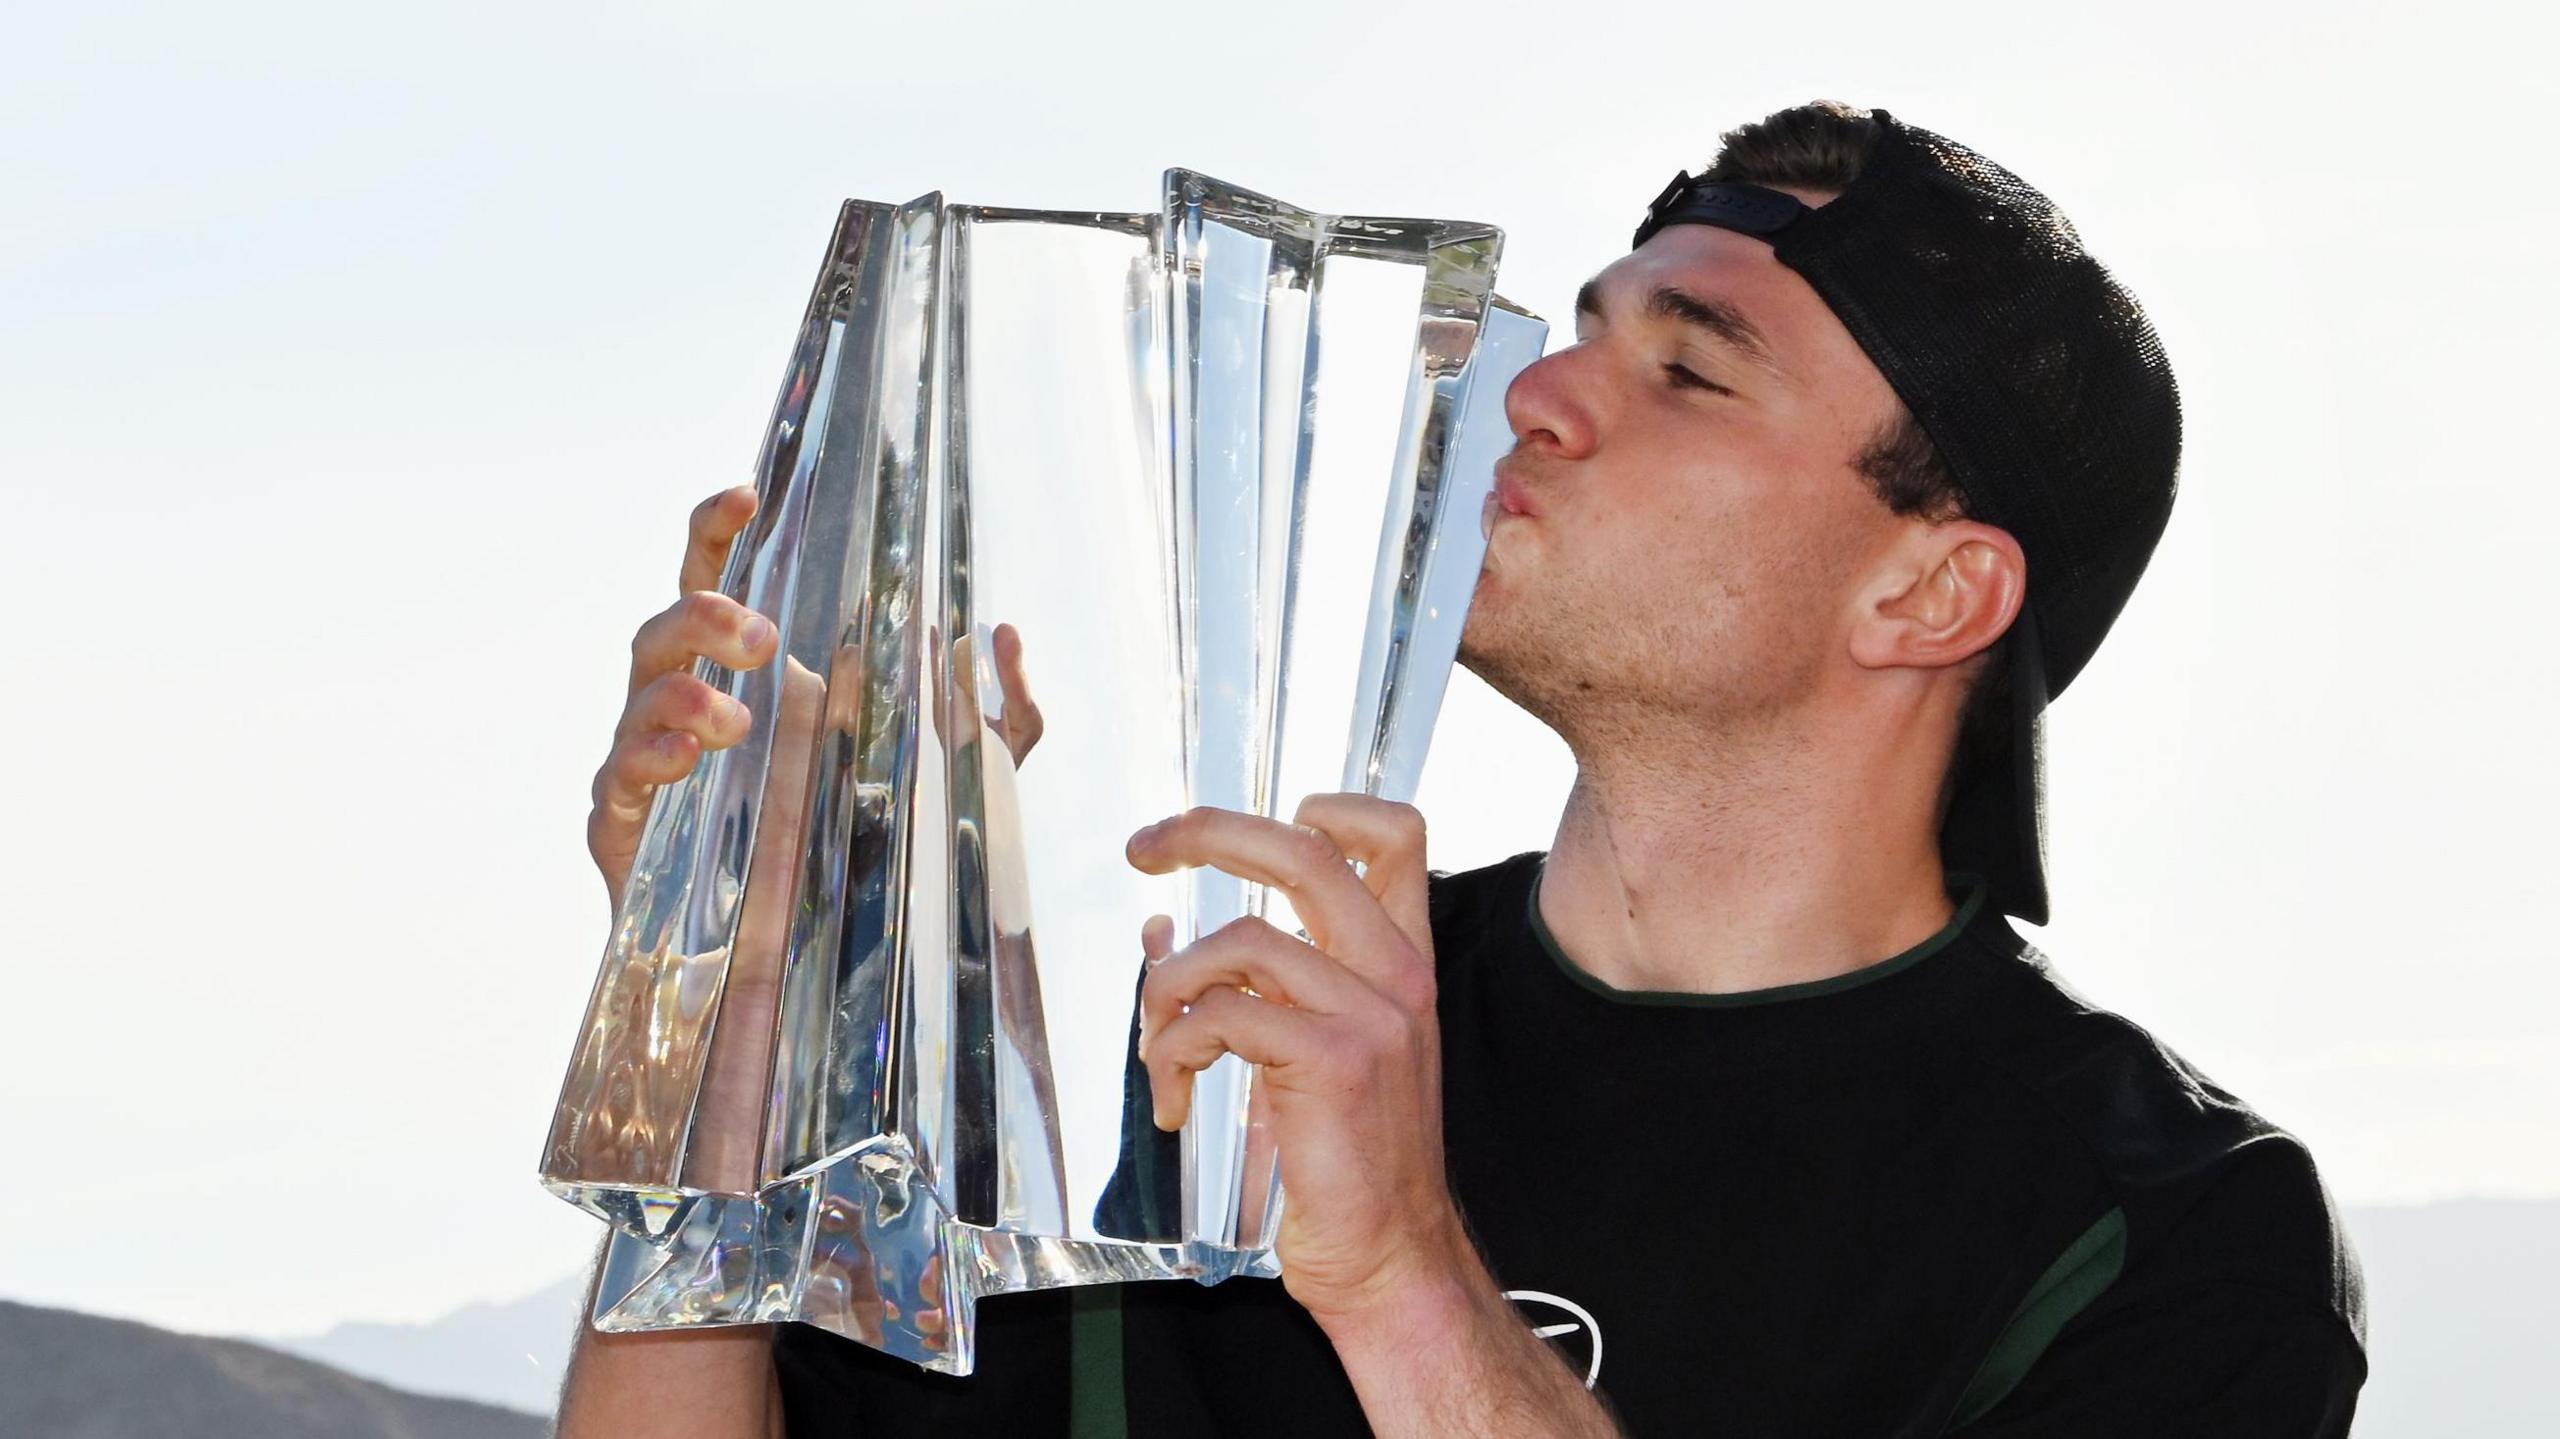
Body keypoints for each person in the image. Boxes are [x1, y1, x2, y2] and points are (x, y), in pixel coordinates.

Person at [556, 101, 2368, 1437]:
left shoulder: (2160, 1232)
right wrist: (739, 997)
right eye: (1584, 333)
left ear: (1929, 592)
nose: (1538, 396)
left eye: (1691, 373)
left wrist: (1405, 1279)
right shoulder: (1208, 1042)